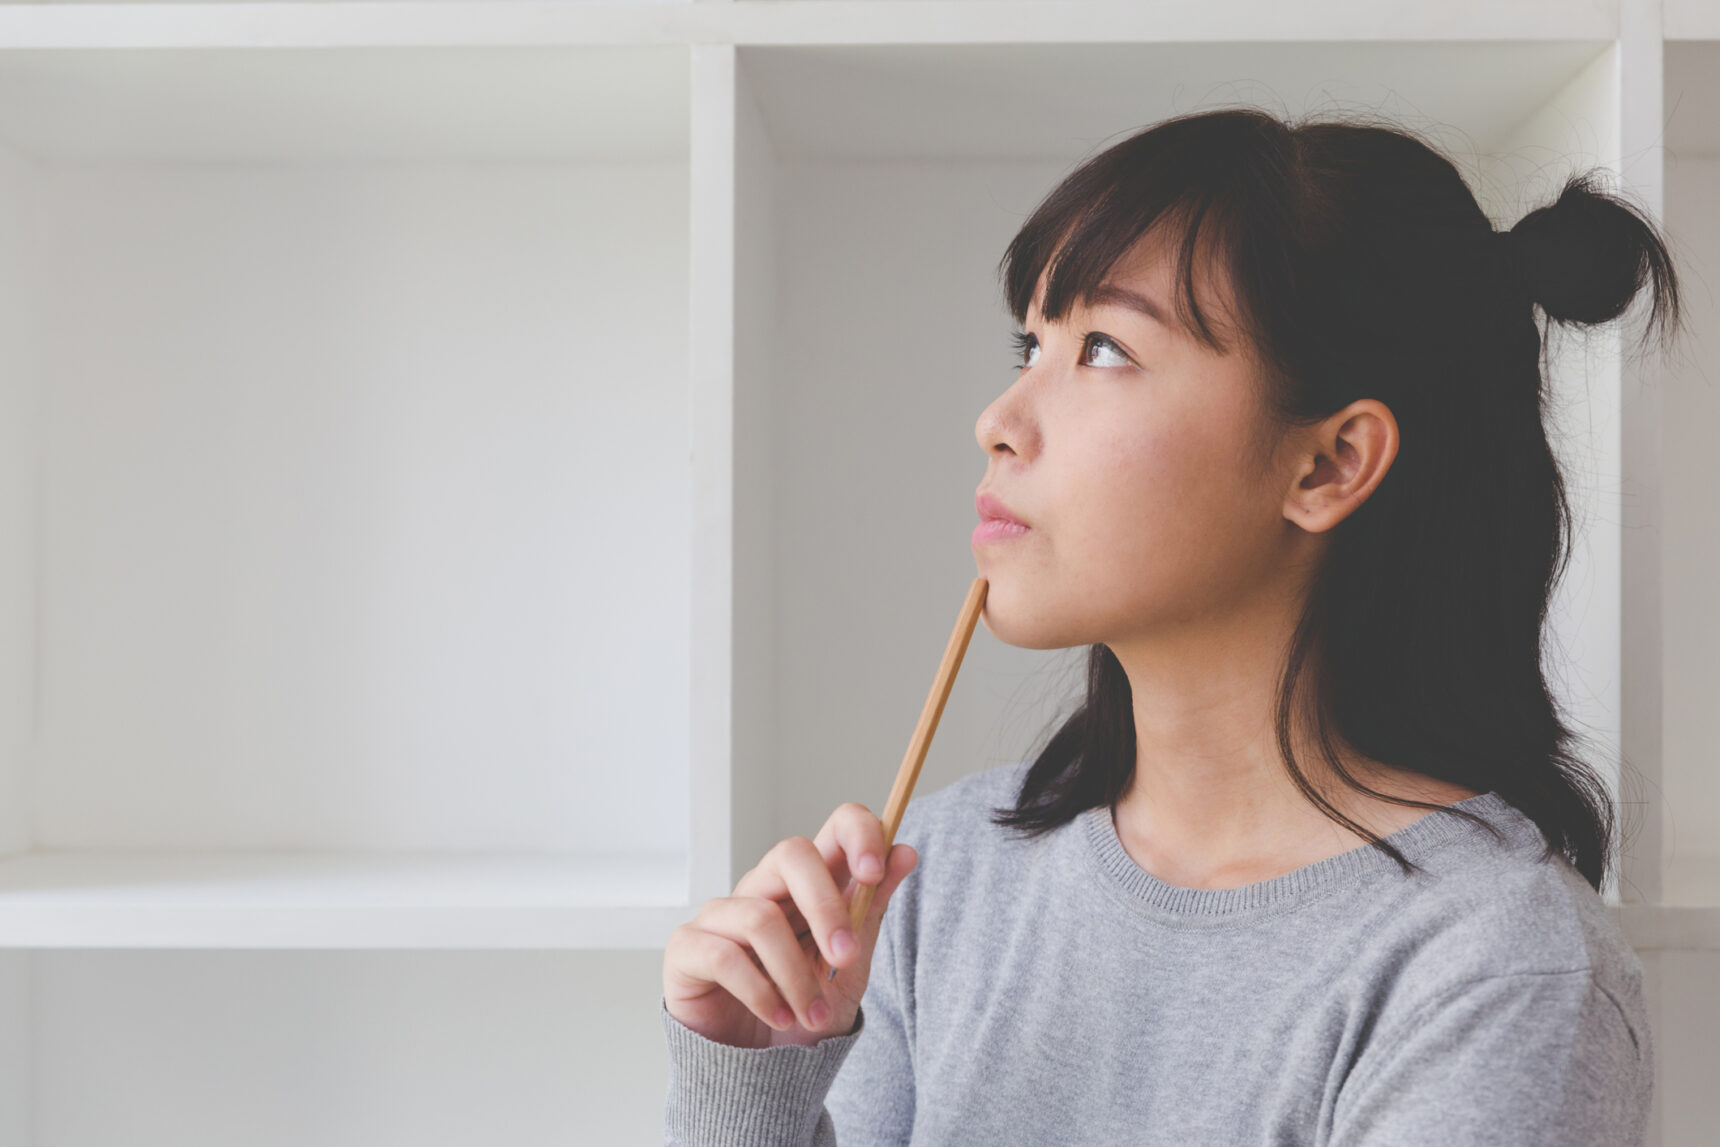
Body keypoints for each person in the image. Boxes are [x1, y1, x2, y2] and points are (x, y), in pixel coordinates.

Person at [658, 105, 1684, 1146]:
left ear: (1327, 464)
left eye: (1102, 347)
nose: (998, 420)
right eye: (1031, 342)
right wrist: (753, 1086)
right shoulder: (941, 869)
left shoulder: (1494, 968)